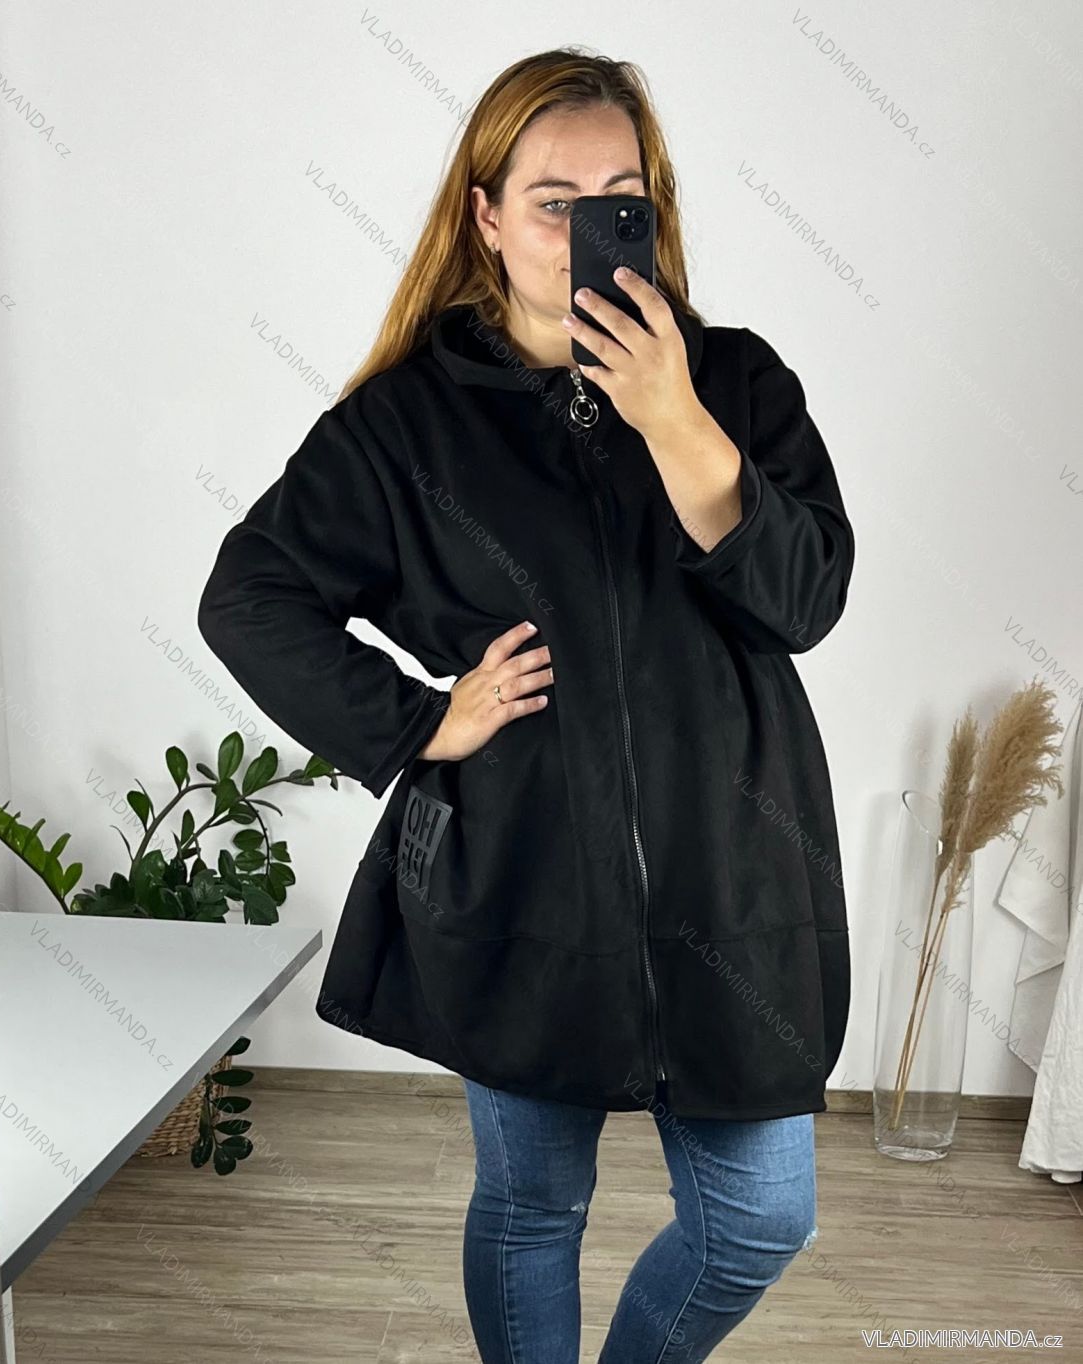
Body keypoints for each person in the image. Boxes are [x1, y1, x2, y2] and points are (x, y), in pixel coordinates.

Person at [197, 45, 854, 1363]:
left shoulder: (736, 383)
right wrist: (417, 722)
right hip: (519, 874)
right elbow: (249, 594)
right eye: (554, 200)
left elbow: (808, 599)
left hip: (732, 872)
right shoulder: (405, 426)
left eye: (622, 200)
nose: (588, 228)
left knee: (760, 1220)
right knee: (532, 1206)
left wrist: (672, 417)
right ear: (486, 217)